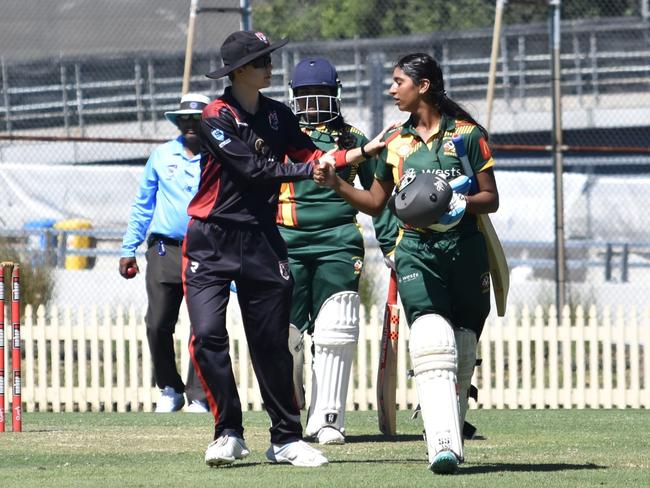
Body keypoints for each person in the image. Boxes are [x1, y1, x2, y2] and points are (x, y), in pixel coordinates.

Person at [183, 31, 387, 468]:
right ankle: (229, 432)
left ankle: (285, 439)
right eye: (261, 62)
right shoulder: (216, 115)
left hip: (261, 238)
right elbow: (255, 170)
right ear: (238, 71)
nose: (270, 67)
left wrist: (359, 153)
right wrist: (309, 169)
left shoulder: (278, 114)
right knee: (206, 337)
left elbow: (313, 155)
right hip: (211, 238)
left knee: (272, 341)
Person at [315, 52, 499, 474]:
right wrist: (338, 184)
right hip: (416, 251)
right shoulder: (395, 142)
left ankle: (451, 428)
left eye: (399, 81)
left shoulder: (469, 136)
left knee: (464, 346)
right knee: (432, 337)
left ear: (424, 86)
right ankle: (442, 446)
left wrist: (459, 201)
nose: (392, 88)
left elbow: (492, 198)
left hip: (466, 251)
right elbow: (376, 202)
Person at [279, 58, 398, 445]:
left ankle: (327, 417)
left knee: (336, 328)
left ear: (335, 95)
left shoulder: (354, 138)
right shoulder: (282, 136)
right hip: (285, 243)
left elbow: (377, 197)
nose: (313, 104)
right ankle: (289, 405)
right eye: (305, 97)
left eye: (321, 96)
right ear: (294, 98)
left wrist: (391, 244)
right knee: (284, 334)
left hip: (338, 242)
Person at [119, 93, 211, 414]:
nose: (190, 124)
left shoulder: (220, 156)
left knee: (204, 325)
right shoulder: (161, 155)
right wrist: (128, 247)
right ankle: (170, 387)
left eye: (197, 119)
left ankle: (199, 394)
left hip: (206, 248)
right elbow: (143, 205)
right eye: (184, 119)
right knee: (157, 322)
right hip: (164, 248)